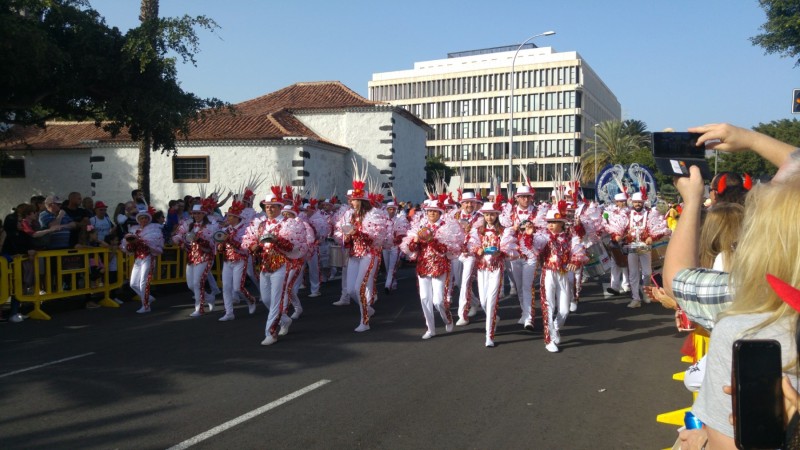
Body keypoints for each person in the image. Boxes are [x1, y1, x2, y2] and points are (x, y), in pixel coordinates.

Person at [243, 186, 307, 346]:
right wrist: (253, 246)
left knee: (277, 299)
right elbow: (249, 242)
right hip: (265, 265)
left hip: (283, 264)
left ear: (280, 207)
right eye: (267, 206)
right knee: (265, 299)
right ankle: (285, 320)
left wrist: (277, 241)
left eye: (273, 206)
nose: (269, 209)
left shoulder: (289, 224)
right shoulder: (260, 224)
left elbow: (293, 247)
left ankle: (271, 332)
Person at [526, 205, 588, 353]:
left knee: (565, 310)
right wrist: (529, 235)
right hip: (548, 274)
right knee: (548, 306)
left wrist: (575, 261)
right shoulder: (543, 236)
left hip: (563, 274)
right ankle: (549, 339)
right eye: (549, 222)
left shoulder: (569, 238)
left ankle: (555, 327)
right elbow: (533, 247)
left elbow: (578, 251)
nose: (551, 225)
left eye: (554, 222)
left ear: (562, 223)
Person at [400, 196, 463, 340]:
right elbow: (411, 248)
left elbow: (446, 249)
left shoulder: (447, 227)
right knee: (424, 298)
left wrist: (431, 240)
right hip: (423, 267)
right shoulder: (419, 227)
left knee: (438, 301)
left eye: (434, 211)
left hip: (440, 266)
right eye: (429, 212)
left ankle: (447, 318)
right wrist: (415, 241)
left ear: (440, 213)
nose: (431, 214)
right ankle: (431, 328)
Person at [333, 177, 390, 333]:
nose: (352, 202)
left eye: (356, 200)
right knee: (351, 290)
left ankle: (364, 321)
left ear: (363, 201)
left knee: (359, 288)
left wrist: (356, 232)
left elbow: (375, 237)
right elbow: (340, 234)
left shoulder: (373, 214)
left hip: (368, 255)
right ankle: (368, 309)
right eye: (352, 200)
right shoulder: (349, 215)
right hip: (354, 255)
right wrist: (346, 236)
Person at [468, 199, 517, 347]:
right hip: (482, 269)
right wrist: (478, 250)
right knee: (483, 301)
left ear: (497, 215)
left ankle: (489, 335)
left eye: (492, 215)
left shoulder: (504, 231)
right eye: (487, 215)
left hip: (496, 268)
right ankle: (494, 319)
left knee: (491, 301)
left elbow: (508, 248)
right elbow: (471, 244)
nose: (489, 217)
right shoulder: (478, 230)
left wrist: (499, 253)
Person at [172, 201, 219, 316]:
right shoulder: (189, 225)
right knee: (191, 285)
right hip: (192, 257)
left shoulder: (210, 226)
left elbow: (212, 243)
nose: (197, 215)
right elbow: (179, 235)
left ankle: (199, 308)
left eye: (199, 213)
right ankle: (209, 298)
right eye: (195, 213)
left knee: (197, 282)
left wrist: (199, 240)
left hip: (205, 256)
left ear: (204, 214)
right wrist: (181, 242)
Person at [216, 199, 257, 321]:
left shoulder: (244, 230)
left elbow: (243, 247)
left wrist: (229, 240)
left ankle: (251, 300)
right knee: (226, 287)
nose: (228, 218)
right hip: (227, 260)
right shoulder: (226, 230)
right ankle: (229, 313)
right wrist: (220, 246)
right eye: (228, 216)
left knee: (237, 287)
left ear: (237, 218)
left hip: (240, 260)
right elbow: (222, 246)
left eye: (230, 216)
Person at [120, 207, 163, 313]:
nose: (143, 220)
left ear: (148, 220)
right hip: (138, 259)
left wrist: (140, 240)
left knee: (143, 282)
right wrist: (130, 243)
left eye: (145, 218)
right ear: (138, 220)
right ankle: (148, 298)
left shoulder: (153, 230)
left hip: (148, 257)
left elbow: (154, 245)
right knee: (133, 283)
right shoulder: (134, 230)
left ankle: (146, 306)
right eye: (141, 218)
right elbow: (130, 249)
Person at [451, 191, 484, 326]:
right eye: (466, 202)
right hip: (457, 253)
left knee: (465, 283)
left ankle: (462, 314)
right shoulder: (454, 216)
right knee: (459, 283)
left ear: (476, 203)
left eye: (472, 202)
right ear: (461, 204)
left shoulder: (481, 218)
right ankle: (475, 303)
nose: (469, 204)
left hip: (471, 254)